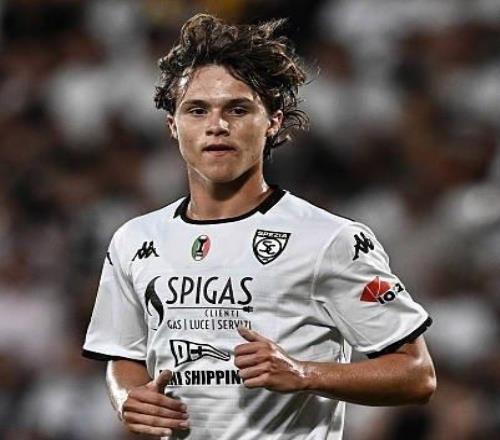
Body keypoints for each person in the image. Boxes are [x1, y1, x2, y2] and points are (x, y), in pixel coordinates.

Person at [82, 13, 436, 440]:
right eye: (197, 110)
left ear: (273, 121)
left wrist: (304, 373)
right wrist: (127, 398)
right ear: (173, 125)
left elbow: (417, 375)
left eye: (238, 109)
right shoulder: (135, 239)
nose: (217, 126)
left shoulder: (329, 239)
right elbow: (124, 355)